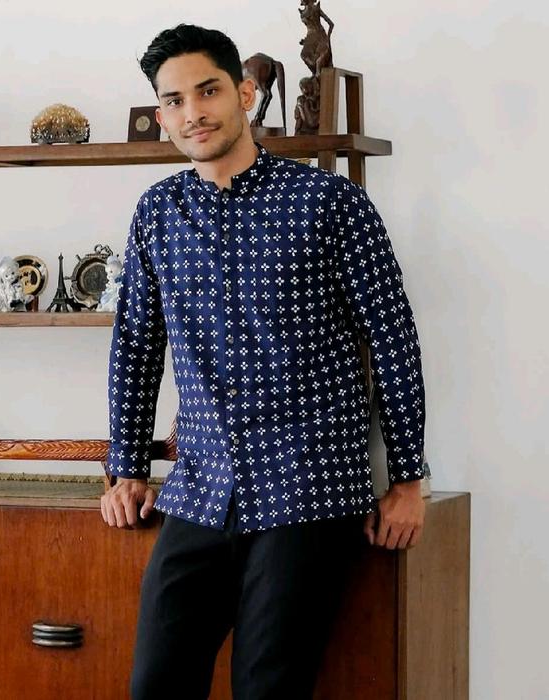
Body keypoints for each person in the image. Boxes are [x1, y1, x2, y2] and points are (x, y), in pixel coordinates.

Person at [101, 23, 428, 700]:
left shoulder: (331, 204)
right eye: (174, 100)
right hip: (200, 488)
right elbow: (136, 342)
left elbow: (392, 337)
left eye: (208, 91)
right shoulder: (157, 213)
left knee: (268, 689)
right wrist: (127, 467)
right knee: (155, 684)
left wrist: (407, 478)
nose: (193, 112)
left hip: (308, 489)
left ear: (245, 94)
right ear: (161, 114)